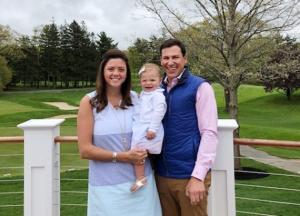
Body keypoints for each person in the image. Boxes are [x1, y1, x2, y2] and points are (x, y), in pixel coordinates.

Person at [77, 49, 162, 216]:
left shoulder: (137, 98)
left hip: (142, 183)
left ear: (127, 73)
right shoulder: (89, 102)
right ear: (102, 71)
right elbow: (85, 150)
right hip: (106, 188)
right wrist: (122, 156)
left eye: (121, 69)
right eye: (111, 69)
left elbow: (153, 126)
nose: (116, 73)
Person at [155, 39, 218, 216]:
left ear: (185, 59)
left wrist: (198, 176)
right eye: (165, 58)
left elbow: (210, 133)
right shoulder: (157, 89)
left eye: (175, 57)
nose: (170, 62)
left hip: (189, 176)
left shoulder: (200, 87)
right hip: (161, 175)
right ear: (161, 61)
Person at [130, 63, 167, 193]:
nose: (148, 83)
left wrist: (152, 129)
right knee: (138, 152)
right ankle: (141, 176)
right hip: (142, 127)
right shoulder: (145, 94)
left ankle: (140, 178)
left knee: (137, 152)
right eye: (144, 80)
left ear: (160, 80)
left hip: (150, 129)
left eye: (152, 80)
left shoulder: (157, 95)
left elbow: (158, 113)